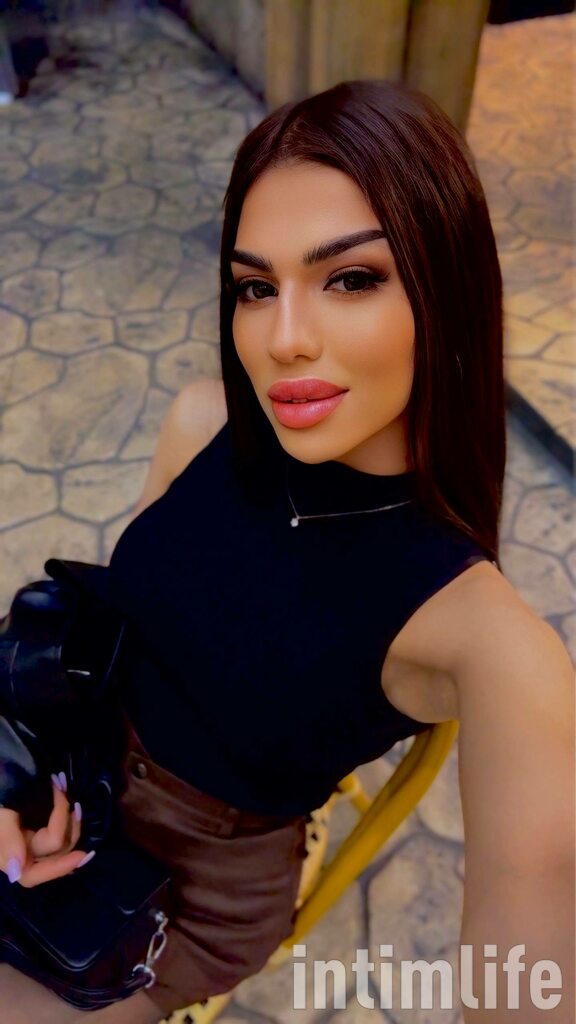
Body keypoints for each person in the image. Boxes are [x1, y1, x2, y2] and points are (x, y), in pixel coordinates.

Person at [0, 79, 573, 1023]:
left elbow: (531, 968)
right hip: (69, 781)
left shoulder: (491, 644)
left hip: (187, 900)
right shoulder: (204, 423)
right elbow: (114, 635)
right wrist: (17, 776)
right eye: (256, 288)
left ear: (447, 292)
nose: (283, 338)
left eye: (351, 279)